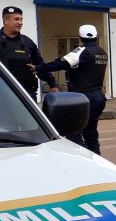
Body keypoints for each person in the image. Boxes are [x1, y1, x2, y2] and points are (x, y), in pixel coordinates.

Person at [35, 24, 108, 154]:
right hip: (98, 97)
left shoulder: (81, 51)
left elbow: (61, 63)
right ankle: (96, 158)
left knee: (74, 133)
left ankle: (84, 157)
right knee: (91, 132)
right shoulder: (102, 52)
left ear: (80, 37)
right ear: (95, 36)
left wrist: (38, 68)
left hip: (82, 97)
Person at [0, 6, 57, 105]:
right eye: (16, 19)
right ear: (5, 20)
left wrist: (53, 85)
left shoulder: (27, 42)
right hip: (3, 93)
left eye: (21, 19)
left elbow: (39, 65)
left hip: (28, 93)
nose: (20, 22)